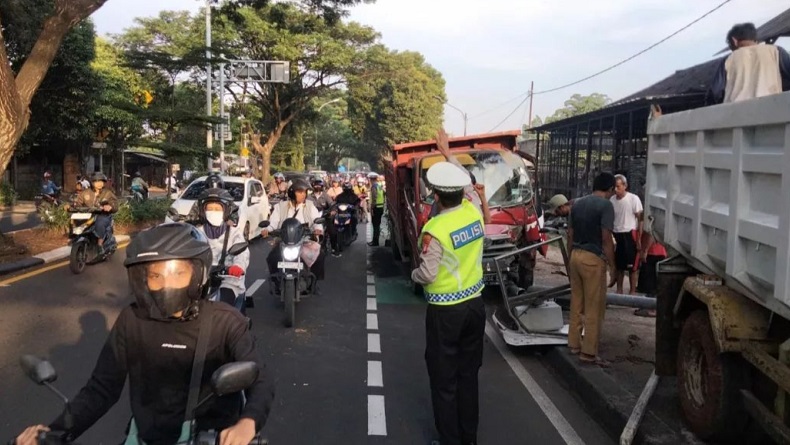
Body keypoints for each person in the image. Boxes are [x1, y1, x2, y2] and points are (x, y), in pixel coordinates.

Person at [12, 224, 274, 445]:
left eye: (177, 274)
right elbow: (101, 389)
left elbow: (260, 380)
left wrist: (247, 423)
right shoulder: (133, 319)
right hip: (145, 437)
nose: (165, 284)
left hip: (210, 437)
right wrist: (54, 432)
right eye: (155, 276)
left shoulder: (225, 322)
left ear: (198, 275)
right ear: (143, 280)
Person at [411, 161, 486, 445]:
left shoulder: (436, 228)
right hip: (475, 306)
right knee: (468, 376)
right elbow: (471, 188)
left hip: (446, 313)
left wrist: (413, 274)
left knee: (444, 380)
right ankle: (469, 438)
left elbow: (428, 273)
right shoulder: (473, 212)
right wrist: (448, 154)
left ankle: (449, 440)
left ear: (437, 195)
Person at [567, 172, 617, 367]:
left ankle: (574, 344)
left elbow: (570, 234)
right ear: (611, 188)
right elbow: (606, 238)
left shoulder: (577, 204)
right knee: (594, 307)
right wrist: (613, 266)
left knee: (577, 303)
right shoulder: (606, 206)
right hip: (593, 259)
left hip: (575, 256)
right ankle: (588, 353)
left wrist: (569, 258)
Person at [263, 179, 326, 289]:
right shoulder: (280, 206)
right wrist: (267, 229)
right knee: (272, 257)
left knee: (320, 255)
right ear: (292, 192)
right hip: (284, 240)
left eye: (305, 192)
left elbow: (317, 220)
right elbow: (273, 223)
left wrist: (318, 229)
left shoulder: (310, 206)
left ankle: (313, 283)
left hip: (305, 240)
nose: (303, 195)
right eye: (300, 192)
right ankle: (276, 281)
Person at [709, 22, 790, 104]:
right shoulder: (776, 51)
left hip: (735, 111)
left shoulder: (728, 59)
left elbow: (715, 91)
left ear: (734, 41)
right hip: (772, 106)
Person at [195, 188, 249, 309]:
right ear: (203, 211)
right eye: (210, 208)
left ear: (225, 211)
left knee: (223, 309)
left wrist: (238, 266)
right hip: (201, 281)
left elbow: (243, 254)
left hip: (228, 280)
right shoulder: (196, 233)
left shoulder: (235, 233)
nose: (213, 212)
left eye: (217, 209)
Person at [434, 129, 491, 224]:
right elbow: (487, 221)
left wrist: (447, 154)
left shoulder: (441, 224)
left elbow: (487, 220)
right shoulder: (470, 207)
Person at [610, 174, 643, 295]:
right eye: (614, 187)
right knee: (619, 266)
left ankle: (632, 291)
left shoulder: (633, 199)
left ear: (625, 186)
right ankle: (619, 290)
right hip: (617, 234)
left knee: (632, 267)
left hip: (630, 234)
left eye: (618, 186)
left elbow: (640, 219)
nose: (616, 189)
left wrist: (639, 239)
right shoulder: (612, 200)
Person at [73, 172, 117, 254]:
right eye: (97, 181)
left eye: (101, 181)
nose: (99, 183)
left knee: (100, 222)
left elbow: (114, 204)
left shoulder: (108, 193)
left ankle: (99, 244)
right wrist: (72, 205)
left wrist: (110, 207)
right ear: (92, 182)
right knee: (76, 219)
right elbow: (78, 202)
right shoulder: (85, 192)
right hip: (89, 214)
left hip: (103, 215)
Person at [634, 215, 667, 318]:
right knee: (653, 282)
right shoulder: (660, 220)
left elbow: (650, 236)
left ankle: (651, 308)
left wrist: (645, 251)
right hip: (660, 252)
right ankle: (650, 306)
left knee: (650, 283)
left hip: (653, 253)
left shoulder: (651, 221)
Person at [367, 172, 385, 247]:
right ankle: (375, 240)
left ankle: (375, 241)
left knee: (375, 225)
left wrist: (371, 208)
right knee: (377, 225)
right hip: (380, 207)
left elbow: (374, 198)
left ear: (371, 179)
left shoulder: (374, 187)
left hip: (376, 208)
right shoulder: (379, 186)